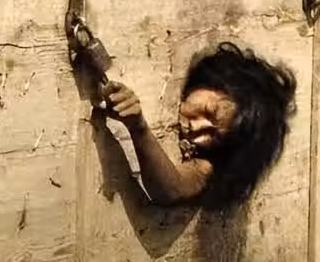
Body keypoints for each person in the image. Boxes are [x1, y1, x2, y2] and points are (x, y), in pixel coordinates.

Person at [100, 42, 297, 209]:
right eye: (208, 111)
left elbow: (172, 189)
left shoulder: (210, 163)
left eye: (213, 136)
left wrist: (138, 127)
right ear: (206, 81)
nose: (197, 128)